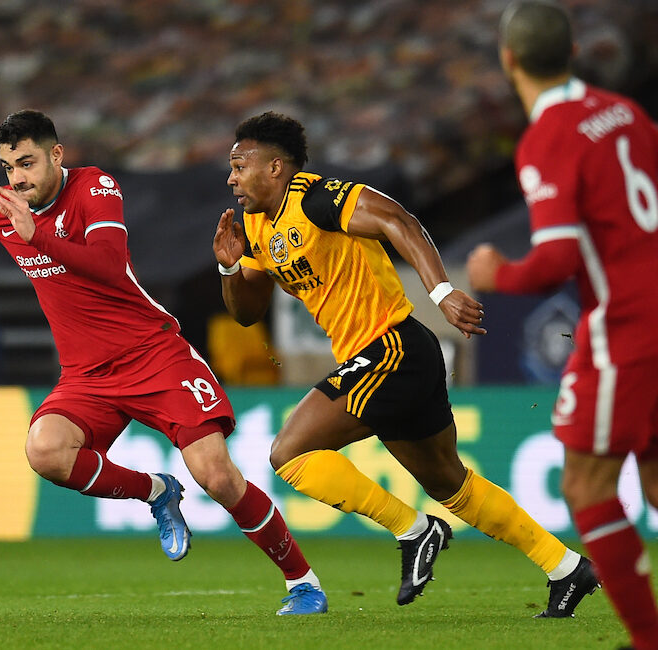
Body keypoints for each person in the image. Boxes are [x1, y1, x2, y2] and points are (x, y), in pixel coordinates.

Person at [213, 110, 599, 616]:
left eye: (240, 166)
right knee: (450, 484)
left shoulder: (316, 197)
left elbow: (399, 220)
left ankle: (415, 530)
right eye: (231, 167)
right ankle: (567, 568)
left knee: (289, 452)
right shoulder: (256, 225)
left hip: (391, 347)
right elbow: (247, 313)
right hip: (389, 359)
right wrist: (229, 266)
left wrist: (440, 292)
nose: (231, 178)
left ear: (276, 168)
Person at [0, 109, 327, 615]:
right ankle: (156, 492)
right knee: (45, 450)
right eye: (8, 167)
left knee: (217, 476)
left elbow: (109, 266)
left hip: (152, 354)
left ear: (56, 155)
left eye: (27, 163)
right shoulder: (2, 206)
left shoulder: (94, 188)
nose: (17, 178)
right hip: (86, 375)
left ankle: (303, 583)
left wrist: (35, 237)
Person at [466, 2, 658, 647]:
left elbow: (557, 260)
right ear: (575, 50)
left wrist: (497, 276)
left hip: (630, 326)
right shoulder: (626, 113)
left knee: (583, 484)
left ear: (509, 58)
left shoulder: (549, 137)